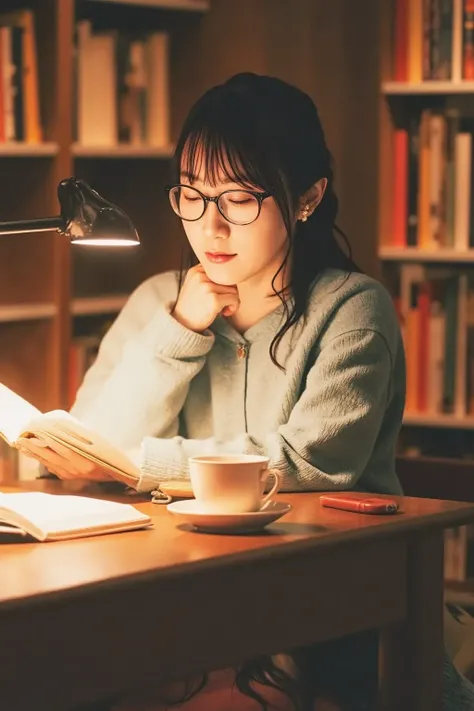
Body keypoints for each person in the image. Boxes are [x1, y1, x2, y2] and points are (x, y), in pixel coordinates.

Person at [17, 73, 474, 710]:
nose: (211, 227)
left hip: (328, 604)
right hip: (176, 594)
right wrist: (180, 331)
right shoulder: (160, 300)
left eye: (239, 199)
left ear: (308, 198)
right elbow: (91, 443)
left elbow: (313, 460)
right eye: (192, 196)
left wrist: (140, 467)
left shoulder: (351, 309)